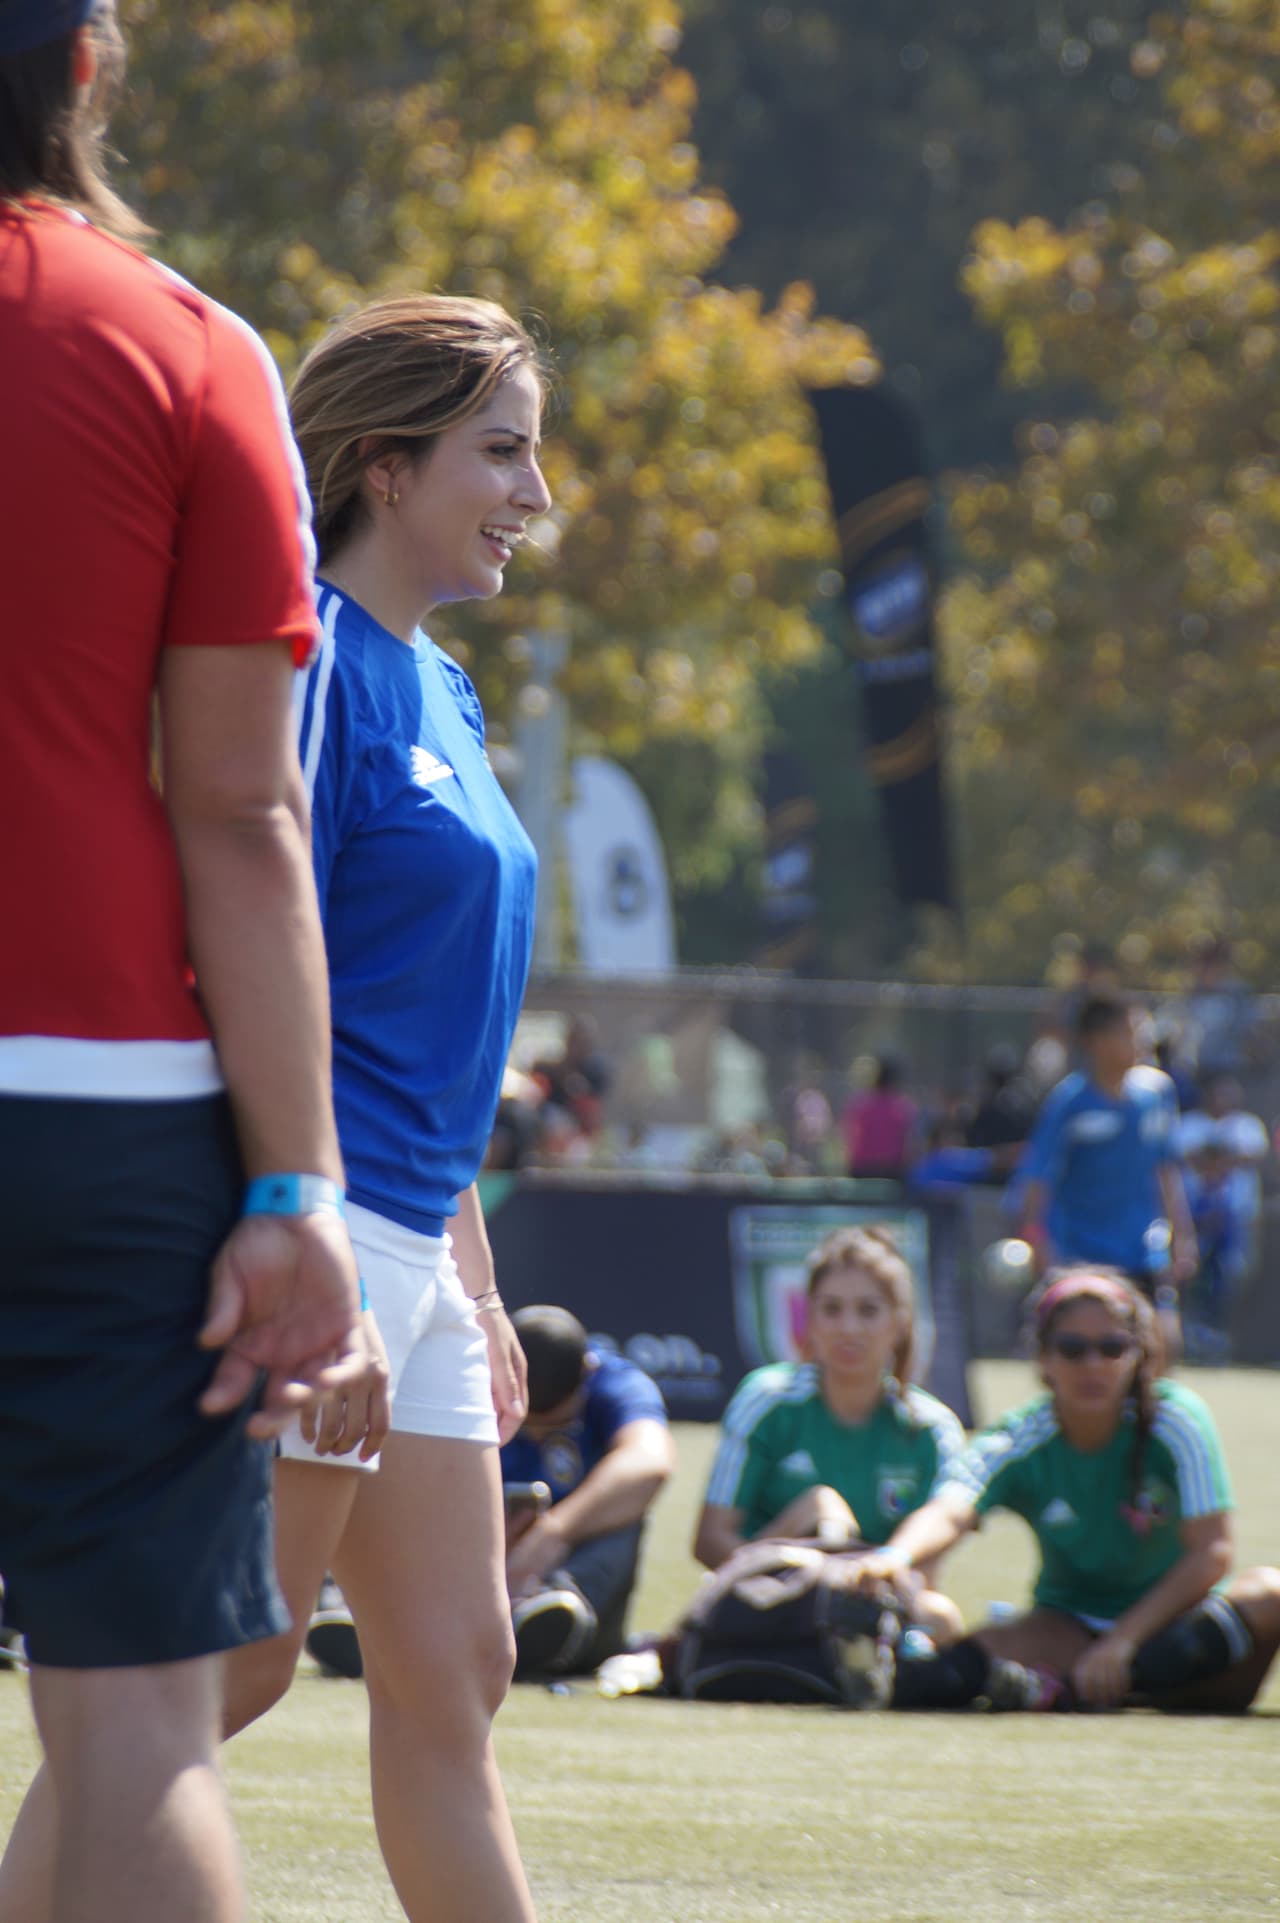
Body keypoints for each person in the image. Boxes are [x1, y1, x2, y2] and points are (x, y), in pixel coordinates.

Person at [0, 7, 365, 1921]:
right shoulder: (188, 345)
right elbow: (242, 812)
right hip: (100, 1123)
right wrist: (298, 1187)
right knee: (136, 1733)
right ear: (85, 70)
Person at [225, 294, 552, 1923]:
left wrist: (472, 1285)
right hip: (320, 1233)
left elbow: (447, 1034)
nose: (532, 495)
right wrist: (300, 1231)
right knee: (217, 1670)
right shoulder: (296, 659)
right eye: (501, 450)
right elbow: (226, 966)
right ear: (383, 459)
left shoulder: (449, 689)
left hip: (420, 1240)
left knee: (459, 1670)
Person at [855, 1269, 1280, 1712]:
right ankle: (1084, 1684)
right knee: (939, 1679)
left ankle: (1077, 1687)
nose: (1093, 1365)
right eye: (1072, 1349)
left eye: (1112, 1347)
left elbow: (1212, 1552)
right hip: (1070, 1629)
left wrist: (1122, 1643)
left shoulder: (1175, 1420)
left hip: (1180, 1626)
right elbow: (950, 1510)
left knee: (1269, 1593)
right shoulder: (1021, 1438)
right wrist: (895, 1557)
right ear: (1043, 1358)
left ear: (1137, 1355)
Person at [694, 1227, 966, 1647]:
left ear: (899, 1323)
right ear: (810, 1321)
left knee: (942, 1619)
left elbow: (923, 1573)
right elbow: (711, 1540)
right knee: (821, 1505)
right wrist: (809, 1563)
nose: (848, 1328)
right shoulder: (767, 1400)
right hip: (769, 1597)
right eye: (832, 1309)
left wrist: (862, 1579)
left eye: (868, 1310)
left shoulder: (932, 1429)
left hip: (874, 1605)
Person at [501, 1306, 675, 1677]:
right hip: (478, 1561)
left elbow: (651, 1462)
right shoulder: (467, 1380)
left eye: (556, 1425)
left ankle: (552, 1615)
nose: (537, 1438)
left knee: (624, 1511)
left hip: (577, 1571)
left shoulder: (616, 1382)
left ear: (587, 1371)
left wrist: (555, 1532)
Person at [1016, 993, 1197, 1318]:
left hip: (1143, 1252)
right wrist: (1036, 1239)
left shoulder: (1156, 1095)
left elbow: (1167, 1170)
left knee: (1162, 1342)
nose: (1144, 1039)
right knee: (1090, 1345)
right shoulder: (1068, 1103)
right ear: (1097, 1041)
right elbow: (1037, 1179)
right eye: (1131, 1030)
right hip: (1079, 1255)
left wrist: (1182, 1236)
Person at [841, 1055, 918, 1179]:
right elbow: (909, 1144)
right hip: (892, 1171)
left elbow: (849, 1140)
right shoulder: (903, 1106)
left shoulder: (859, 1104)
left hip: (861, 1170)